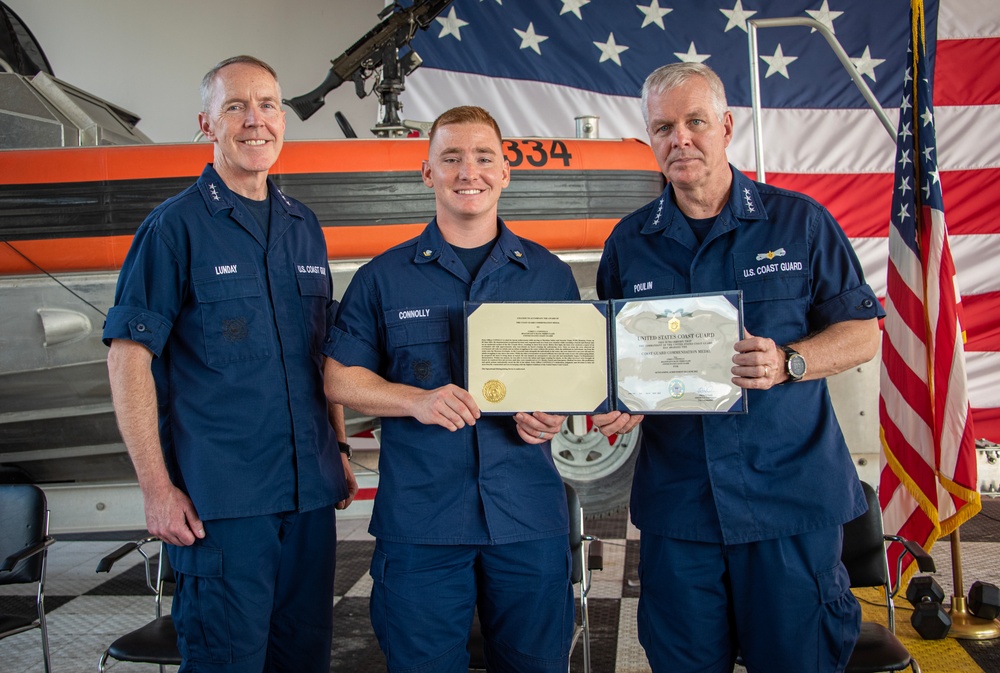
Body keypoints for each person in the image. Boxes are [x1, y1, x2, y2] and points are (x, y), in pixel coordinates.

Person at [593, 62, 884, 672]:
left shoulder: (800, 222)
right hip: (681, 510)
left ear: (726, 126)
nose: (681, 140)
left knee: (797, 660)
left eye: (695, 122)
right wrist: (618, 399)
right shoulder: (628, 243)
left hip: (789, 502)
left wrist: (791, 360)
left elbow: (861, 334)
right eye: (664, 127)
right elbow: (617, 363)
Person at [103, 55, 357, 673]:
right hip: (222, 506)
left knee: (303, 660)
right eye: (235, 107)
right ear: (206, 124)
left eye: (267, 104)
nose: (255, 120)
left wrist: (342, 448)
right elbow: (129, 359)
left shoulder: (305, 227)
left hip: (309, 499)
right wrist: (156, 490)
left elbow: (320, 353)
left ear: (283, 120)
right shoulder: (173, 229)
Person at [323, 106, 576, 673]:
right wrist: (416, 400)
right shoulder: (382, 277)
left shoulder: (549, 275)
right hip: (423, 524)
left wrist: (552, 413)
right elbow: (339, 378)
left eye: (484, 157)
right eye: (452, 158)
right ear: (427, 173)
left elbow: (572, 378)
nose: (470, 171)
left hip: (527, 519)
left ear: (505, 172)